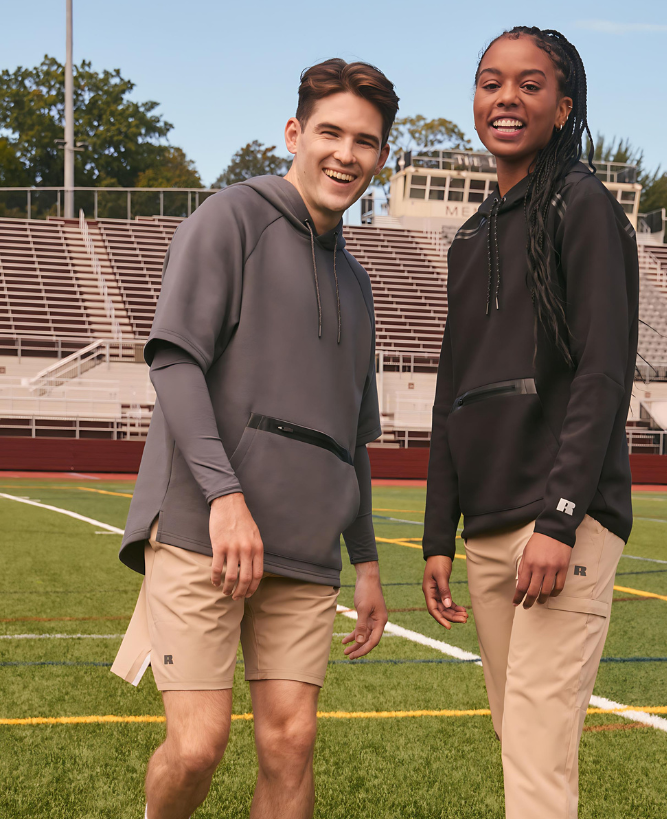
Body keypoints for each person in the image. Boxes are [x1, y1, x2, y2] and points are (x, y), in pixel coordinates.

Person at [111, 58, 399, 819]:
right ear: (294, 133)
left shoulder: (361, 284)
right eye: (330, 132)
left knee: (290, 742)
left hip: (306, 550)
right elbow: (174, 363)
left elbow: (353, 437)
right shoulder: (230, 218)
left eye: (365, 142)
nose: (346, 153)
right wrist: (225, 495)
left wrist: (366, 561)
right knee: (199, 745)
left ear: (382, 157)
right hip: (204, 531)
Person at [421, 27, 638, 819]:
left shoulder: (584, 207)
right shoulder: (471, 234)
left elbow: (603, 373)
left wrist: (562, 515)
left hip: (559, 527)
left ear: (563, 105)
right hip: (487, 530)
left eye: (530, 83)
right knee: (520, 743)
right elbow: (453, 393)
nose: (506, 97)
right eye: (490, 81)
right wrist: (437, 533)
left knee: (538, 760)